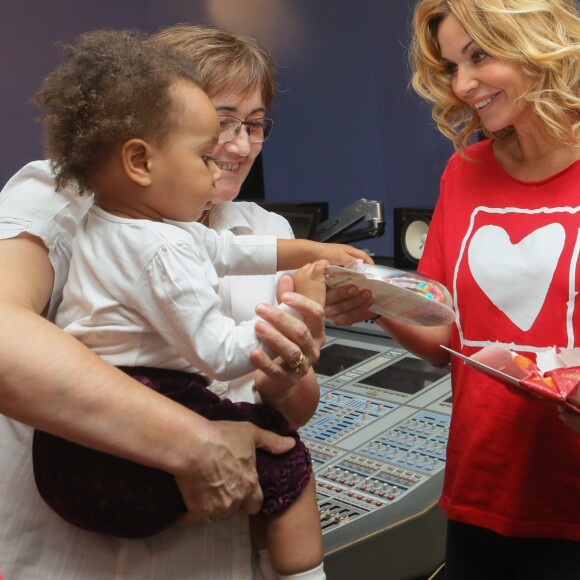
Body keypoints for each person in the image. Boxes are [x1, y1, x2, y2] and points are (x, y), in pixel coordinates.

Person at [30, 29, 373, 580]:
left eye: (254, 124)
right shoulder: (63, 199)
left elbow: (235, 254)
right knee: (286, 463)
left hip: (217, 555)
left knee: (272, 440)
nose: (234, 148)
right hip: (96, 518)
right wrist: (288, 319)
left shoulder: (230, 225)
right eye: (218, 126)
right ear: (140, 146)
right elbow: (218, 352)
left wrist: (292, 359)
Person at [327, 0, 580, 578]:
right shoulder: (463, 169)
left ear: (535, 42)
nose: (463, 84)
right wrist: (374, 298)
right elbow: (444, 336)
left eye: (480, 56)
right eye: (451, 66)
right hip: (480, 490)